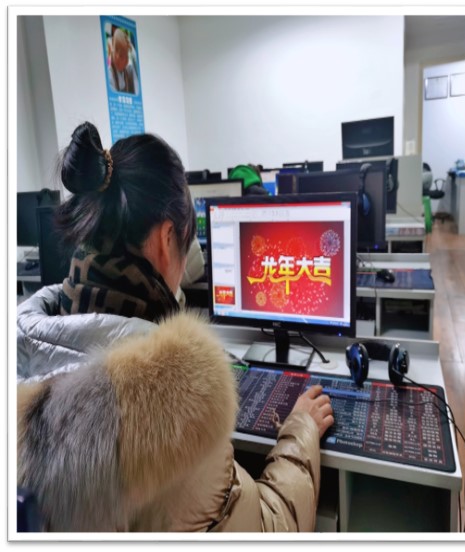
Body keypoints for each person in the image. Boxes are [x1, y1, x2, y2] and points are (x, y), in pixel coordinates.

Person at [17, 121, 334, 532]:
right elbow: (270, 528)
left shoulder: (20, 359)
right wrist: (301, 429)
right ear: (167, 239)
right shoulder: (175, 403)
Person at [108, 28, 140, 95]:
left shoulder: (128, 70)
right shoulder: (109, 73)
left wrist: (131, 47)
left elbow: (137, 66)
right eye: (122, 56)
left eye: (127, 56)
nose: (126, 61)